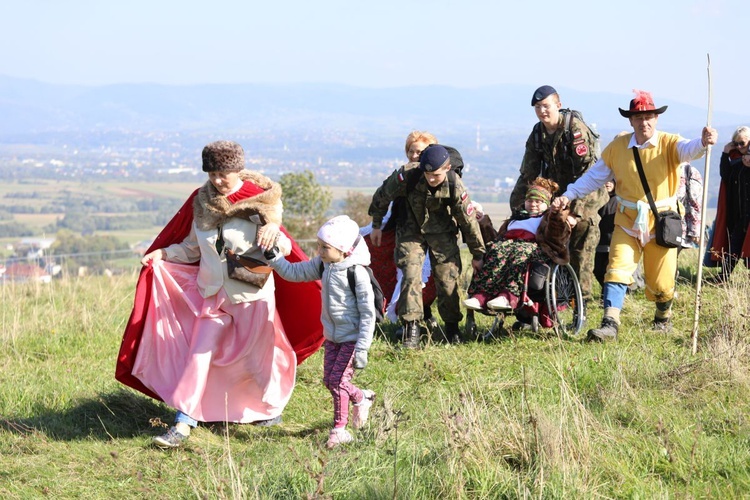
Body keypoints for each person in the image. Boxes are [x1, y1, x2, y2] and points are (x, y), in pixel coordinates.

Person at [115, 140, 324, 448]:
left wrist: (273, 237)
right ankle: (183, 421)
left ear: (237, 169)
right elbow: (190, 249)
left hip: (252, 295)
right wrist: (162, 254)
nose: (217, 180)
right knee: (199, 355)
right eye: (211, 173)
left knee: (258, 359)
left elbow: (286, 248)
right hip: (212, 295)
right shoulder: (202, 203)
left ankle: (268, 405)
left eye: (223, 173)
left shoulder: (260, 202)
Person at [552, 90, 718, 340]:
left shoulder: (669, 143)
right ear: (630, 120)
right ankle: (610, 323)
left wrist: (703, 142)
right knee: (617, 268)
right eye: (639, 118)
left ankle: (663, 317)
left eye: (649, 116)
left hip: (662, 224)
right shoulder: (618, 147)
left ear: (656, 118)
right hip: (627, 221)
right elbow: (594, 177)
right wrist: (569, 194)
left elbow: (690, 149)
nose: (644, 122)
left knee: (661, 285)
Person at [265, 215, 377, 449]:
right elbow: (294, 273)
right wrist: (274, 259)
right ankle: (361, 398)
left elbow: (368, 314)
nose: (319, 251)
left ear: (344, 250)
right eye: (318, 245)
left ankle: (339, 430)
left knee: (337, 381)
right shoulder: (323, 264)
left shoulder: (357, 274)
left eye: (324, 247)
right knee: (329, 380)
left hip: (352, 338)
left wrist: (363, 348)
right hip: (332, 336)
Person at [369, 144, 486, 346]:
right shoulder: (408, 175)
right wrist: (377, 224)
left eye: (436, 175)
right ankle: (411, 328)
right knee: (411, 274)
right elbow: (382, 195)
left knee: (447, 277)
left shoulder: (454, 184)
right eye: (428, 174)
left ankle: (451, 328)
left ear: (447, 168)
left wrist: (478, 254)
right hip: (410, 228)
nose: (431, 178)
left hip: (442, 231)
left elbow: (468, 222)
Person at [510, 85, 607, 303]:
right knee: (546, 235)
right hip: (559, 193)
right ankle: (551, 296)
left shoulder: (575, 130)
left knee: (581, 234)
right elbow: (528, 173)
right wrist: (517, 209)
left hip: (588, 193)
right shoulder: (537, 134)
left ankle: (582, 299)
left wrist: (576, 212)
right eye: (537, 107)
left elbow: (589, 175)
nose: (542, 111)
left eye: (546, 106)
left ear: (558, 105)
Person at [361, 131, 438, 333]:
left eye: (419, 152)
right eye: (411, 151)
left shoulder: (442, 174)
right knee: (407, 273)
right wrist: (376, 225)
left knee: (437, 277)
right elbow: (383, 196)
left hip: (434, 234)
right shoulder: (403, 175)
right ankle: (406, 322)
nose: (414, 156)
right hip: (405, 230)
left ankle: (436, 319)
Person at [464, 177, 575, 312]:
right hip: (507, 246)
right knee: (495, 249)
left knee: (520, 251)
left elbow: (555, 237)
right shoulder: (515, 219)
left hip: (535, 250)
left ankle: (509, 295)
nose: (533, 204)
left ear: (547, 203)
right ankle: (482, 295)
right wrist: (482, 220)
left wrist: (557, 216)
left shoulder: (547, 219)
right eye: (530, 200)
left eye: (538, 201)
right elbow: (495, 238)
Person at [705, 127, 750, 278]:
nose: (739, 147)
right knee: (734, 246)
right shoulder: (736, 162)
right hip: (739, 214)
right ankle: (723, 276)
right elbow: (726, 176)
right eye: (735, 143)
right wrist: (725, 154)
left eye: (742, 143)